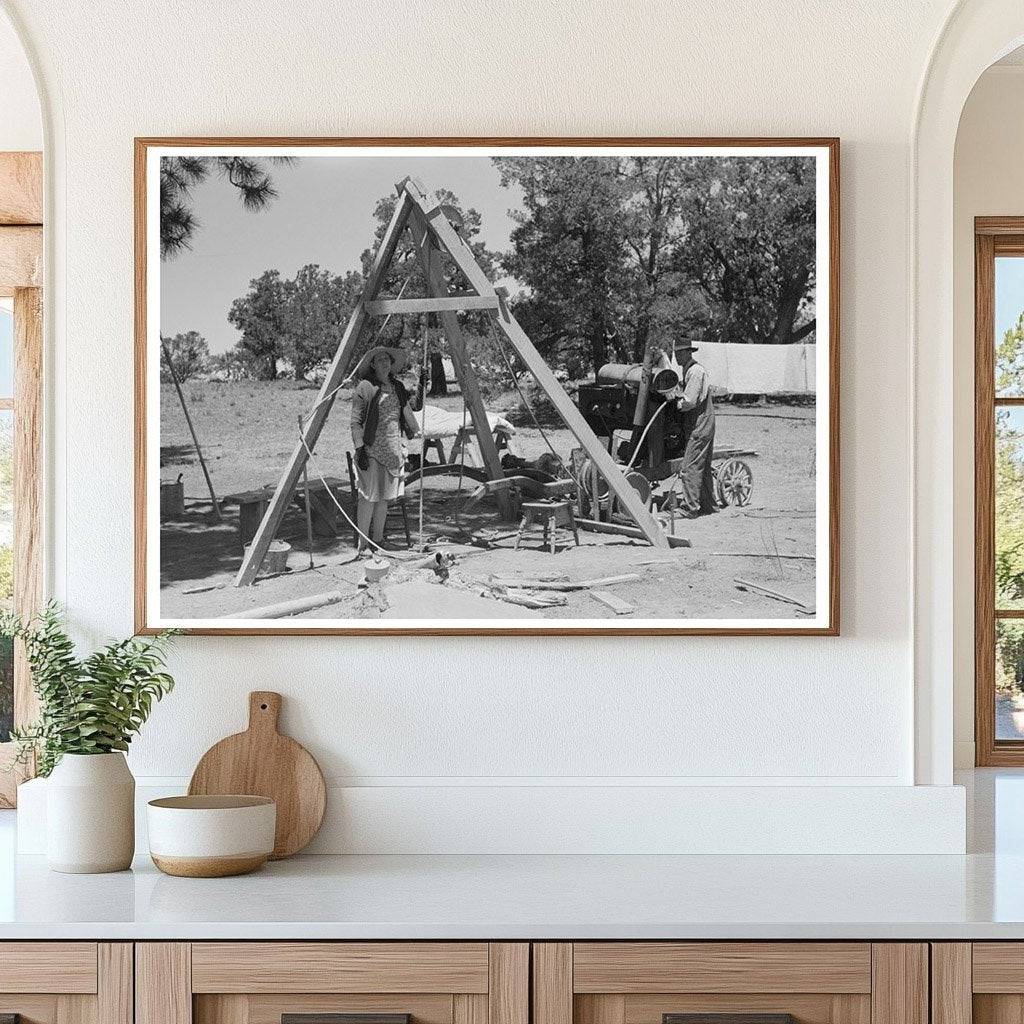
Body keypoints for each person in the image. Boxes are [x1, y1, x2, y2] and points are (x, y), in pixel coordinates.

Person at [349, 346, 422, 553]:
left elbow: (412, 407)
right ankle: (363, 545)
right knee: (368, 497)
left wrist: (422, 385)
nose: (384, 362)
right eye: (379, 359)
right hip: (371, 449)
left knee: (384, 498)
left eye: (387, 359)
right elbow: (356, 422)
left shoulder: (397, 386)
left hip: (392, 449)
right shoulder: (365, 387)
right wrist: (360, 448)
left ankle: (378, 540)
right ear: (372, 364)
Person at [664, 341, 717, 516]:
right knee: (703, 466)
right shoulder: (689, 370)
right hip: (703, 421)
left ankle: (690, 508)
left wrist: (675, 403)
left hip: (700, 422)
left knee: (690, 466)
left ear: (688, 353)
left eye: (680, 353)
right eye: (676, 354)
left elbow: (690, 402)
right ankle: (709, 506)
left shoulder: (694, 371)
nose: (677, 357)